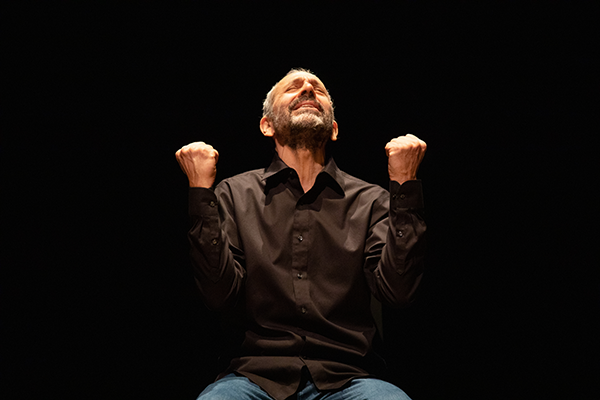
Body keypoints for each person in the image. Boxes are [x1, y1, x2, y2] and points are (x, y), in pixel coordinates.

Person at [175, 68, 427, 400]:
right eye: (293, 88)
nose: (308, 88)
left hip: (349, 377)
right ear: (267, 125)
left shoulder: (371, 200)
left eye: (318, 90)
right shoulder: (233, 195)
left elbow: (398, 292)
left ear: (334, 130)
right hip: (254, 376)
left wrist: (404, 185)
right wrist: (200, 192)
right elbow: (218, 294)